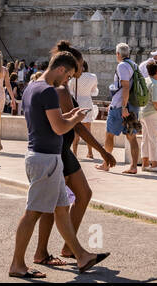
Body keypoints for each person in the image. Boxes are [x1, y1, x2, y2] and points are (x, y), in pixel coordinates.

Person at [8, 48, 110, 279]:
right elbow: (60, 128)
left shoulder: (32, 87)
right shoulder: (48, 91)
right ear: (61, 69)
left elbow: (51, 121)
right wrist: (76, 117)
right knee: (33, 213)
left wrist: (70, 114)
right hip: (45, 159)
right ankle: (17, 264)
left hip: (43, 156)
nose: (67, 81)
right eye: (68, 76)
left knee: (62, 210)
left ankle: (82, 256)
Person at [33, 45, 117, 267]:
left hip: (65, 151)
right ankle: (46, 251)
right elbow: (77, 127)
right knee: (56, 205)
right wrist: (102, 151)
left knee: (81, 195)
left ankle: (68, 248)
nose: (80, 69)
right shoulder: (60, 90)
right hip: (60, 151)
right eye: (78, 66)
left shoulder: (62, 87)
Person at [98, 43, 140, 175]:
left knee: (109, 134)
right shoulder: (135, 65)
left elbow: (126, 87)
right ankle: (133, 166)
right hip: (133, 107)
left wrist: (123, 107)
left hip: (120, 107)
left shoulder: (122, 66)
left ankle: (106, 163)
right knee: (132, 137)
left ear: (117, 54)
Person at [139, 61, 157, 173]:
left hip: (144, 113)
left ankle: (145, 163)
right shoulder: (155, 84)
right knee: (154, 139)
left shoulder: (146, 81)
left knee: (145, 139)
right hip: (153, 114)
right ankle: (154, 164)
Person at [70, 62, 99, 159]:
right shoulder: (93, 76)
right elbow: (94, 91)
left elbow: (70, 91)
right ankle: (90, 153)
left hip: (77, 103)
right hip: (87, 103)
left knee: (76, 130)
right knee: (88, 130)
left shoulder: (74, 78)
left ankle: (74, 153)